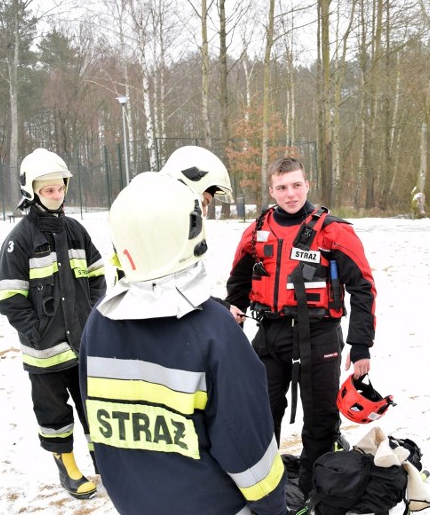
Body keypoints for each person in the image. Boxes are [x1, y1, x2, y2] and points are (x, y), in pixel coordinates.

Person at [79, 172, 287, 515]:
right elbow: (247, 447)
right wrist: (273, 508)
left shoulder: (98, 323)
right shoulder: (213, 330)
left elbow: (102, 428)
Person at [226, 157, 378, 498]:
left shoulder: (334, 230)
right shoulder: (257, 230)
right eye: (282, 187)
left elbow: (363, 288)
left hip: (319, 336)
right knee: (260, 413)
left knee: (320, 420)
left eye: (296, 185)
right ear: (271, 190)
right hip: (269, 333)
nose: (290, 194)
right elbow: (237, 279)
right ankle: (264, 489)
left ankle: (317, 490)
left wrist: (361, 345)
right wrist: (233, 306)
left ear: (307, 185)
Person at [0, 148, 107, 500]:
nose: (57, 196)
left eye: (60, 188)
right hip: (46, 353)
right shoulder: (19, 240)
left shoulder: (76, 231)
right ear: (31, 191)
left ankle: (107, 463)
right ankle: (67, 466)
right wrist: (36, 331)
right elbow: (7, 295)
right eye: (48, 191)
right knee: (54, 413)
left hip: (83, 345)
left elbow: (97, 277)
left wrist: (92, 316)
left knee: (94, 406)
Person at [158, 144, 247, 323]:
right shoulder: (160, 234)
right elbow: (173, 295)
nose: (204, 212)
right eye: (204, 202)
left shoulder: (162, 227)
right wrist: (221, 311)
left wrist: (223, 307)